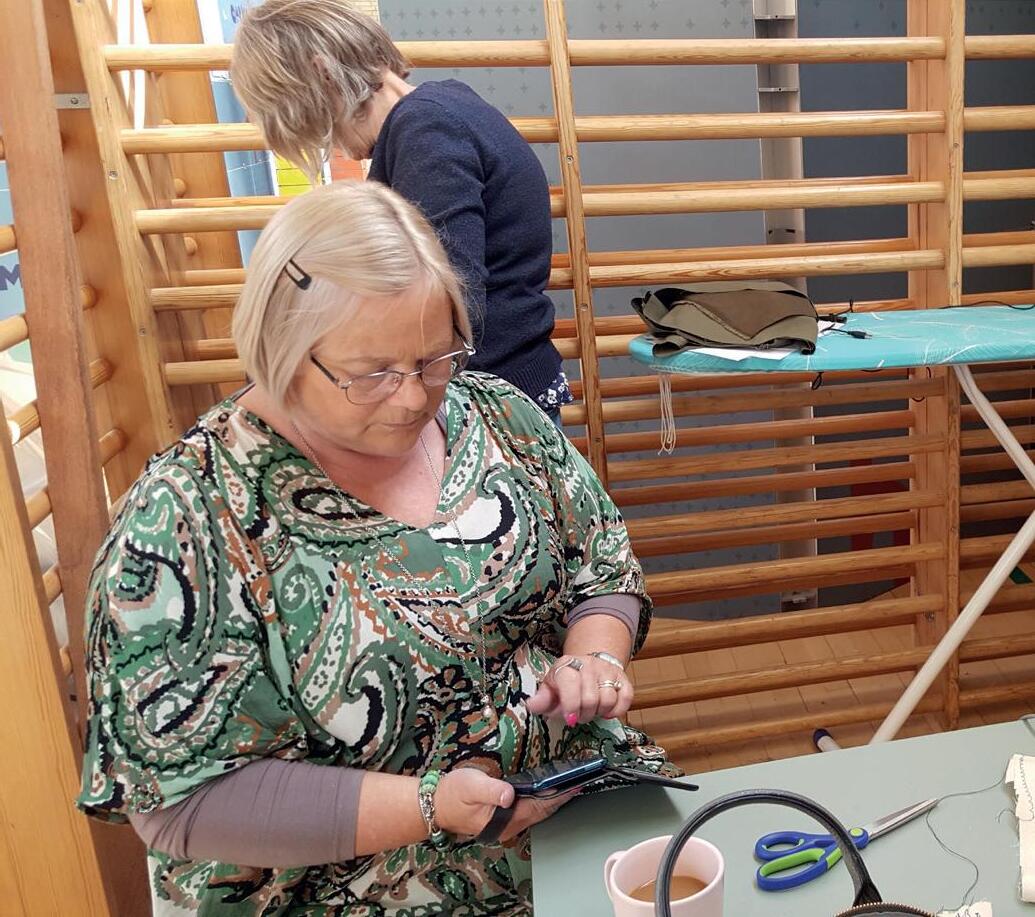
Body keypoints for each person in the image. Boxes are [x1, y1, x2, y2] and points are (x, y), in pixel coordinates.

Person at [76, 181, 673, 915]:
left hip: (575, 817)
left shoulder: (497, 417)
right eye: (372, 374)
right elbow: (180, 799)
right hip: (349, 887)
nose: (414, 396)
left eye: (434, 358)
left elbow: (602, 564)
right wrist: (430, 805)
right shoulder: (186, 517)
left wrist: (594, 656)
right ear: (281, 350)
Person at [230, 0, 573, 424]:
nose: (330, 142)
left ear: (325, 75)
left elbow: (447, 299)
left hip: (486, 403)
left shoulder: (426, 130)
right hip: (504, 389)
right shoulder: (445, 108)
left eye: (312, 121)